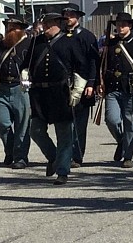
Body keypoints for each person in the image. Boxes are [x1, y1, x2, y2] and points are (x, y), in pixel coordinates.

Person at [23, 12, 88, 185]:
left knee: (64, 134)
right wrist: (24, 75)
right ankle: (53, 157)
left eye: (49, 24)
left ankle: (62, 171)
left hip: (61, 93)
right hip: (39, 94)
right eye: (44, 24)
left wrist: (78, 90)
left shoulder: (70, 42)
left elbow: (81, 67)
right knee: (35, 131)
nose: (45, 27)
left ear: (58, 24)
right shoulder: (37, 42)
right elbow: (26, 64)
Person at [100, 12, 133, 168]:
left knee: (131, 123)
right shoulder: (110, 43)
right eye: (118, 24)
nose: (120, 26)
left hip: (132, 88)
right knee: (112, 120)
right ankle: (122, 141)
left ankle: (128, 156)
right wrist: (100, 83)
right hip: (113, 88)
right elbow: (103, 65)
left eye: (124, 24)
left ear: (130, 26)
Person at [0, 15, 32, 169]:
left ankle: (20, 157)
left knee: (22, 125)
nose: (10, 30)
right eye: (8, 27)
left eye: (14, 27)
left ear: (22, 29)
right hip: (3, 87)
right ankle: (10, 150)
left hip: (22, 88)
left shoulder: (30, 44)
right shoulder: (0, 46)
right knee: (0, 122)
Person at [61, 2, 99, 168]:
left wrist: (91, 82)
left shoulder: (87, 36)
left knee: (79, 124)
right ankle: (64, 154)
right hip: (62, 84)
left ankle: (77, 156)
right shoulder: (59, 35)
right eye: (66, 15)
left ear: (77, 17)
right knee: (63, 123)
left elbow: (93, 62)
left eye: (71, 15)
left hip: (82, 84)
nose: (68, 18)